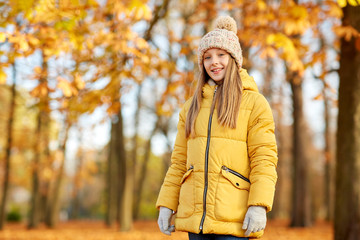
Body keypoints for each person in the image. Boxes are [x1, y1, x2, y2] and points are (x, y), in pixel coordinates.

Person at [156, 15, 278, 240]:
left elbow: (264, 159)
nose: (214, 62)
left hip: (235, 220)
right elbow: (179, 163)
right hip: (196, 221)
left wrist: (259, 205)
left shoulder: (254, 104)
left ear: (234, 58)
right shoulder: (191, 108)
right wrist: (166, 204)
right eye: (207, 57)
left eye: (221, 55)